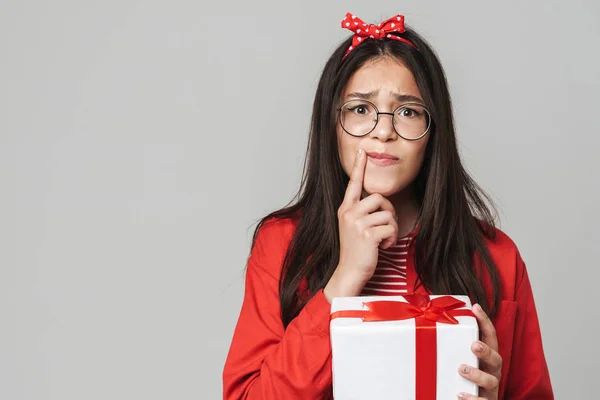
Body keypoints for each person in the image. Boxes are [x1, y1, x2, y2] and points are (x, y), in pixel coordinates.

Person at [222, 12, 554, 400]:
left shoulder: (497, 256)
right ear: (332, 125)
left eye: (408, 111)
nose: (383, 130)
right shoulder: (281, 242)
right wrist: (343, 280)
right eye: (360, 109)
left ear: (433, 132)